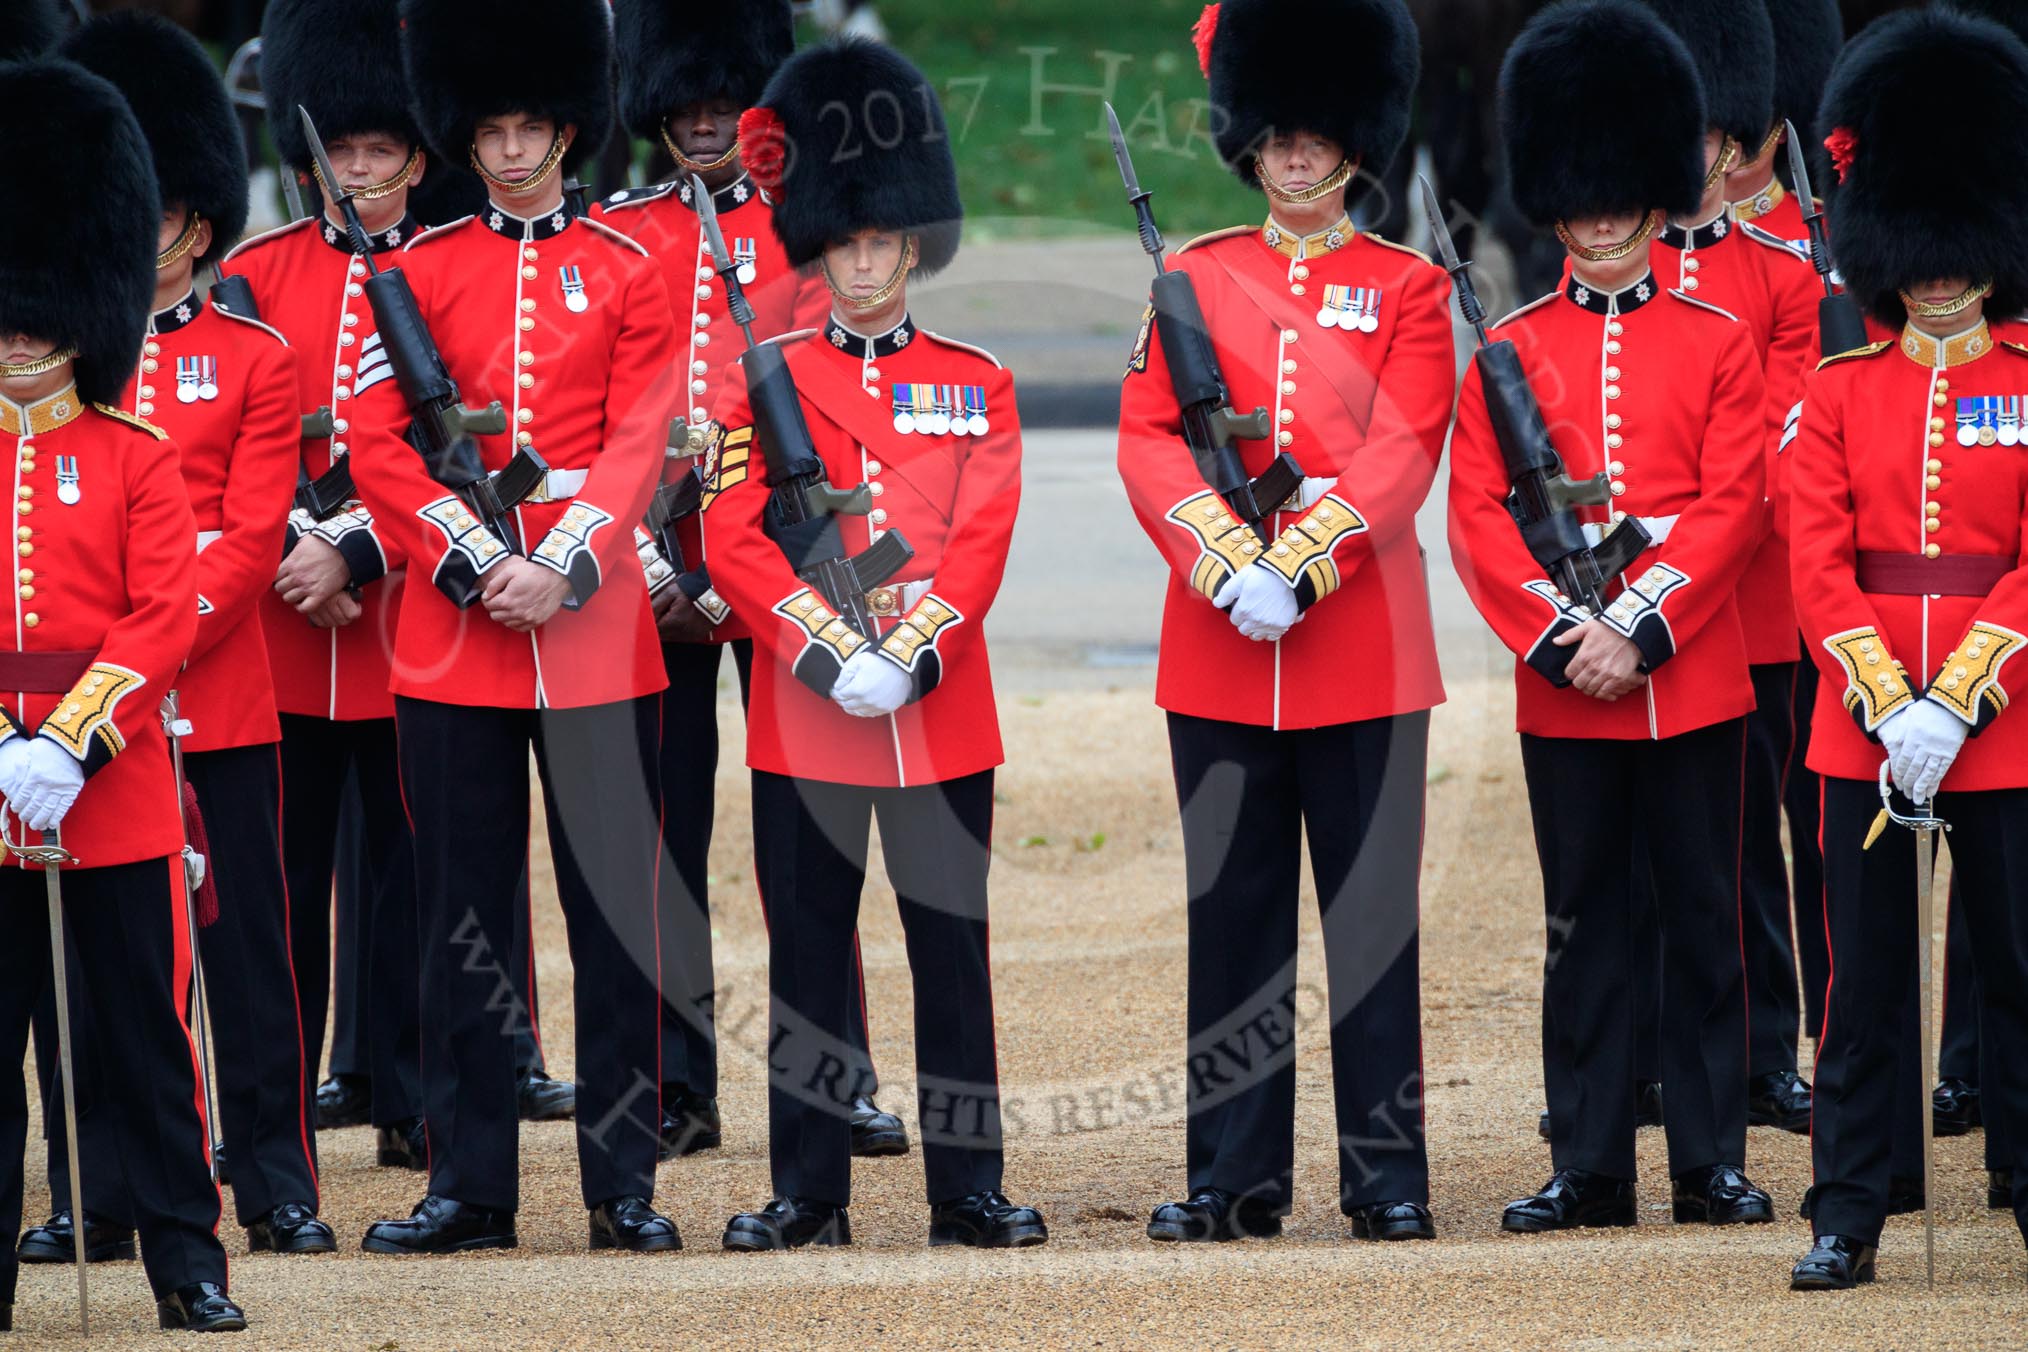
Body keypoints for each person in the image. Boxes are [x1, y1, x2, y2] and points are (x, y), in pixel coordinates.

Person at [349, 0, 680, 1255]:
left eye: (527, 126)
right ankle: (469, 1182)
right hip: (459, 632)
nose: (507, 150)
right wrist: (479, 551)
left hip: (591, 631)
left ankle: (623, 1184)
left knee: (616, 918)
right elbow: (382, 442)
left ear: (566, 126)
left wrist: (567, 559)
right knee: (462, 920)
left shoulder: (630, 266)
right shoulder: (417, 274)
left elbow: (641, 435)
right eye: (487, 129)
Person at [1114, 0, 1449, 1245]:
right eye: (1278, 140)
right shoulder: (1194, 276)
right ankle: (1232, 1175)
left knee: (1370, 924)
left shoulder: (1406, 287)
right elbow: (1148, 440)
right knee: (1234, 923)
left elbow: (1403, 448)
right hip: (1216, 648)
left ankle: (1388, 1173)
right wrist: (1220, 554)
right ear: (1249, 144)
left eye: (1318, 140)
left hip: (1361, 649)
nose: (1297, 158)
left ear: (1354, 148)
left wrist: (1301, 562)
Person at [704, 38, 1046, 1251]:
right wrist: (818, 646)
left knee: (951, 954)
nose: (861, 259)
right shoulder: (770, 381)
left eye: (881, 241)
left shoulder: (976, 380)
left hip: (939, 705)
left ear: (913, 246)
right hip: (813, 706)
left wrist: (918, 644)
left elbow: (984, 532)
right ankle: (808, 1190)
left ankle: (969, 1187)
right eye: (843, 241)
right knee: (807, 952)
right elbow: (732, 532)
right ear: (825, 244)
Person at [1449, 0, 1774, 1233]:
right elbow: (1480, 512)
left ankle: (1708, 1158)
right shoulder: (1515, 350)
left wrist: (1637, 625)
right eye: (1576, 200)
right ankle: (1589, 1158)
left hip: (1686, 674)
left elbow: (1733, 498)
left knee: (1701, 915)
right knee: (1583, 921)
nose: (1593, 220)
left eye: (1612, 197)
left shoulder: (1720, 335)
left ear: (1648, 194)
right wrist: (1558, 632)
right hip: (1561, 682)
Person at [600, 0, 906, 1162]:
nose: (699, 123)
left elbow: (849, 418)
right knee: (661, 833)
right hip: (645, 565)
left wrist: (735, 584)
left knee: (809, 837)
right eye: (681, 107)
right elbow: (601, 420)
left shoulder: (811, 228)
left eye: (721, 105)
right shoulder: (622, 234)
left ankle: (839, 1073)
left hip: (785, 569)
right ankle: (677, 1082)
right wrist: (638, 558)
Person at [65, 10, 328, 1254]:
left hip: (215, 698)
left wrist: (150, 647)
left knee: (249, 958)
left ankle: (275, 1176)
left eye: (169, 214)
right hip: (94, 714)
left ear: (200, 226)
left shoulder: (254, 357)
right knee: (111, 966)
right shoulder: (68, 369)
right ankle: (104, 1185)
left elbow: (250, 530)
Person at [0, 52, 244, 1333]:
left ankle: (188, 1261)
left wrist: (71, 739)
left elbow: (161, 614)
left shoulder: (135, 455)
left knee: (147, 1042)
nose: (27, 326)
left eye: (44, 304)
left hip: (117, 788)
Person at [1786, 5, 2028, 1290]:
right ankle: (1847, 1208)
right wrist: (1890, 704)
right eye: (1918, 252)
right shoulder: (1840, 386)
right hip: (1862, 722)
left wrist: (1963, 695)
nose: (1937, 273)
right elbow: (1815, 557)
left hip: (2008, 725)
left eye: (1959, 249)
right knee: (1861, 985)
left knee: (2023, 969)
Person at [221, 0, 435, 1175]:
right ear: (310, 160)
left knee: (410, 882)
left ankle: (409, 1096)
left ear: (414, 154)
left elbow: (461, 449)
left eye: (379, 151)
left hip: (407, 628)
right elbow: (233, 452)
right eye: (340, 153)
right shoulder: (256, 276)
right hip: (284, 632)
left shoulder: (450, 272)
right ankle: (280, 1114)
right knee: (284, 891)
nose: (358, 172)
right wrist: (302, 548)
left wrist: (360, 548)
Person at [1634, 0, 1822, 1137]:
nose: (1700, 153)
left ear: (1737, 142)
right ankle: (1664, 1059)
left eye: (1715, 136)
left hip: (1758, 604)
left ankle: (1764, 1054)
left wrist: (1703, 515)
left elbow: (1791, 418)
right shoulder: (1626, 268)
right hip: (1656, 606)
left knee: (1760, 847)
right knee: (1665, 853)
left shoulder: (1779, 273)